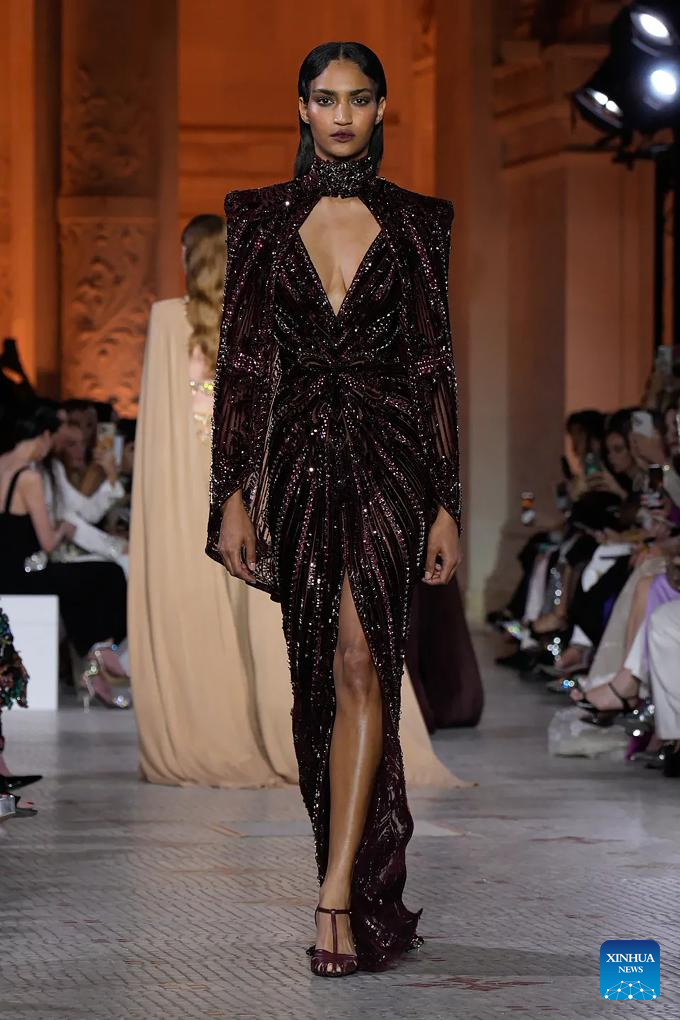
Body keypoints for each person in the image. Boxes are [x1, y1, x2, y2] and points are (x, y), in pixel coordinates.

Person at [207, 42, 464, 976]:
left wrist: (446, 502)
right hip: (300, 464)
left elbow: (434, 368)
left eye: (359, 98)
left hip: (392, 459)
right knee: (318, 676)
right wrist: (231, 491)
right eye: (325, 98)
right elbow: (243, 363)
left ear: (383, 107)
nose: (342, 114)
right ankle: (348, 872)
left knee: (363, 660)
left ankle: (335, 901)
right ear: (303, 108)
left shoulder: (420, 222)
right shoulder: (257, 219)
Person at [129, 211, 464, 792]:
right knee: (277, 621)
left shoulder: (171, 320)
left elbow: (164, 427)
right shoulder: (270, 314)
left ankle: (228, 732)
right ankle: (305, 741)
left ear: (189, 256)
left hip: (188, 489)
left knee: (224, 617)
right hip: (262, 483)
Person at [0, 407, 129, 707]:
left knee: (77, 586)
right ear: (44, 437)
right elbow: (47, 541)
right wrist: (63, 528)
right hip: (26, 575)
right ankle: (99, 656)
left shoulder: (2, 464)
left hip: (9, 572)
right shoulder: (29, 477)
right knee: (109, 575)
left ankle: (96, 656)